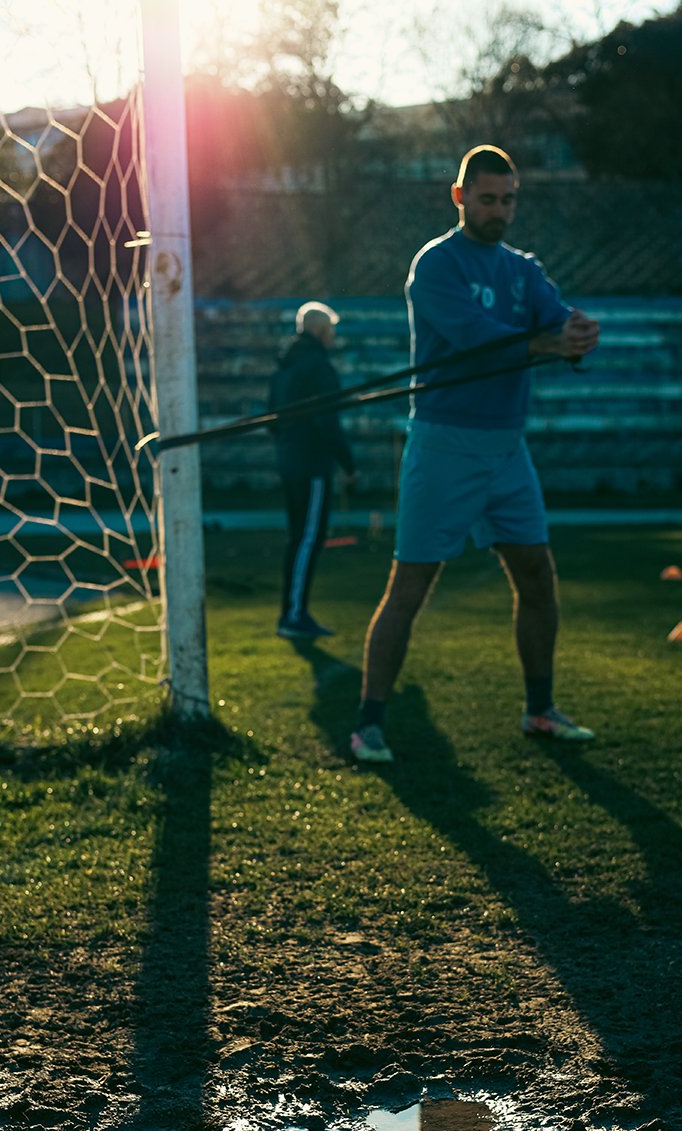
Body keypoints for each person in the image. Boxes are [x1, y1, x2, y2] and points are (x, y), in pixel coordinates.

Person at [350, 145, 599, 765]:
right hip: (444, 443)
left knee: (537, 575)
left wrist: (576, 337)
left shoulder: (523, 269)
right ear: (459, 197)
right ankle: (368, 724)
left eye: (508, 200)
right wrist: (546, 342)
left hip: (506, 447)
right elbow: (478, 343)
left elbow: (555, 324)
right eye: (487, 199)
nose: (499, 211)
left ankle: (540, 709)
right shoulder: (435, 265)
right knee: (410, 585)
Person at [268, 301, 357, 639]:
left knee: (299, 539)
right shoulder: (319, 367)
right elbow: (327, 421)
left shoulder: (284, 366)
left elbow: (272, 418)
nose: (333, 336)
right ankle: (293, 615)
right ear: (321, 331)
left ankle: (293, 613)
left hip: (289, 461)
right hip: (312, 464)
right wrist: (348, 464)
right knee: (308, 540)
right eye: (331, 330)